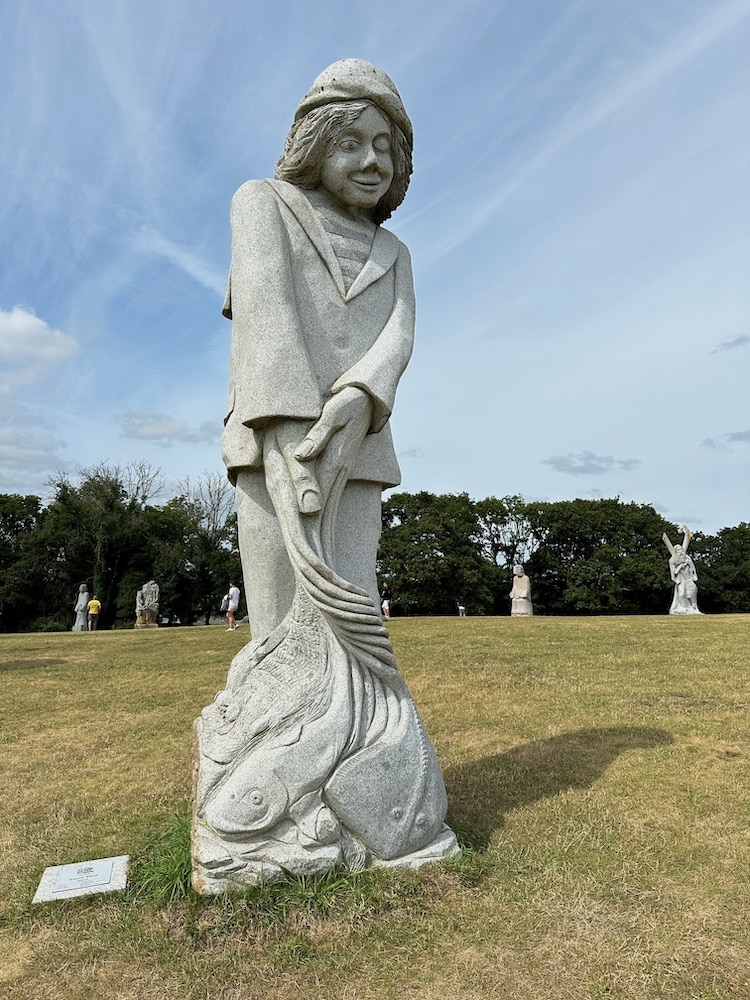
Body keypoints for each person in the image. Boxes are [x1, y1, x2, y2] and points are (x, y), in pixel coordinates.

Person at [221, 58, 415, 641]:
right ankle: (280, 726)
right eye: (351, 142)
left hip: (363, 443)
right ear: (315, 145)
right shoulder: (263, 203)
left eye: (385, 146)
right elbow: (266, 315)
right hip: (274, 440)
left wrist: (361, 395)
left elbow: (399, 334)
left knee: (351, 608)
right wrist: (289, 434)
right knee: (280, 623)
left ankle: (364, 723)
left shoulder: (397, 251)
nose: (371, 161)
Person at [662, 527, 701, 614]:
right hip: (680, 579)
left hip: (688, 577)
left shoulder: (687, 558)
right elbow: (674, 573)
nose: (681, 552)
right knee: (681, 594)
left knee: (693, 590)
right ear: (676, 551)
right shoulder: (672, 561)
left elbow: (692, 567)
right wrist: (680, 568)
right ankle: (682, 608)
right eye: (679, 550)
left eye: (681, 550)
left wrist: (694, 575)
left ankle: (692, 606)